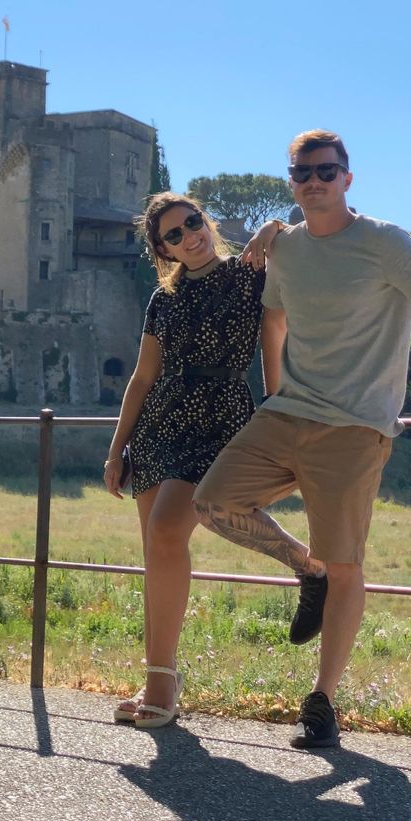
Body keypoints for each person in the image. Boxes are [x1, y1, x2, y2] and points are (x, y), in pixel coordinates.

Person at [194, 130, 411, 749]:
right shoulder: (285, 247)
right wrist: (274, 393)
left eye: (326, 171)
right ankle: (305, 569)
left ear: (348, 178)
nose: (314, 181)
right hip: (287, 414)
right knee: (212, 503)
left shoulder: (383, 242)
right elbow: (273, 317)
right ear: (291, 182)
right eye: (302, 172)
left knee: (346, 565)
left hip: (354, 427)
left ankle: (322, 704)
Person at [103, 192, 314, 729]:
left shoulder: (248, 276)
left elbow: (289, 259)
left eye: (192, 222)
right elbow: (142, 377)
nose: (189, 236)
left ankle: (307, 565)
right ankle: (159, 678)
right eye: (173, 235)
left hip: (219, 418)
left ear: (206, 220)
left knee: (168, 530)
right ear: (164, 250)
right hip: (158, 426)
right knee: (157, 551)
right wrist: (116, 448)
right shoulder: (163, 299)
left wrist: (269, 226)